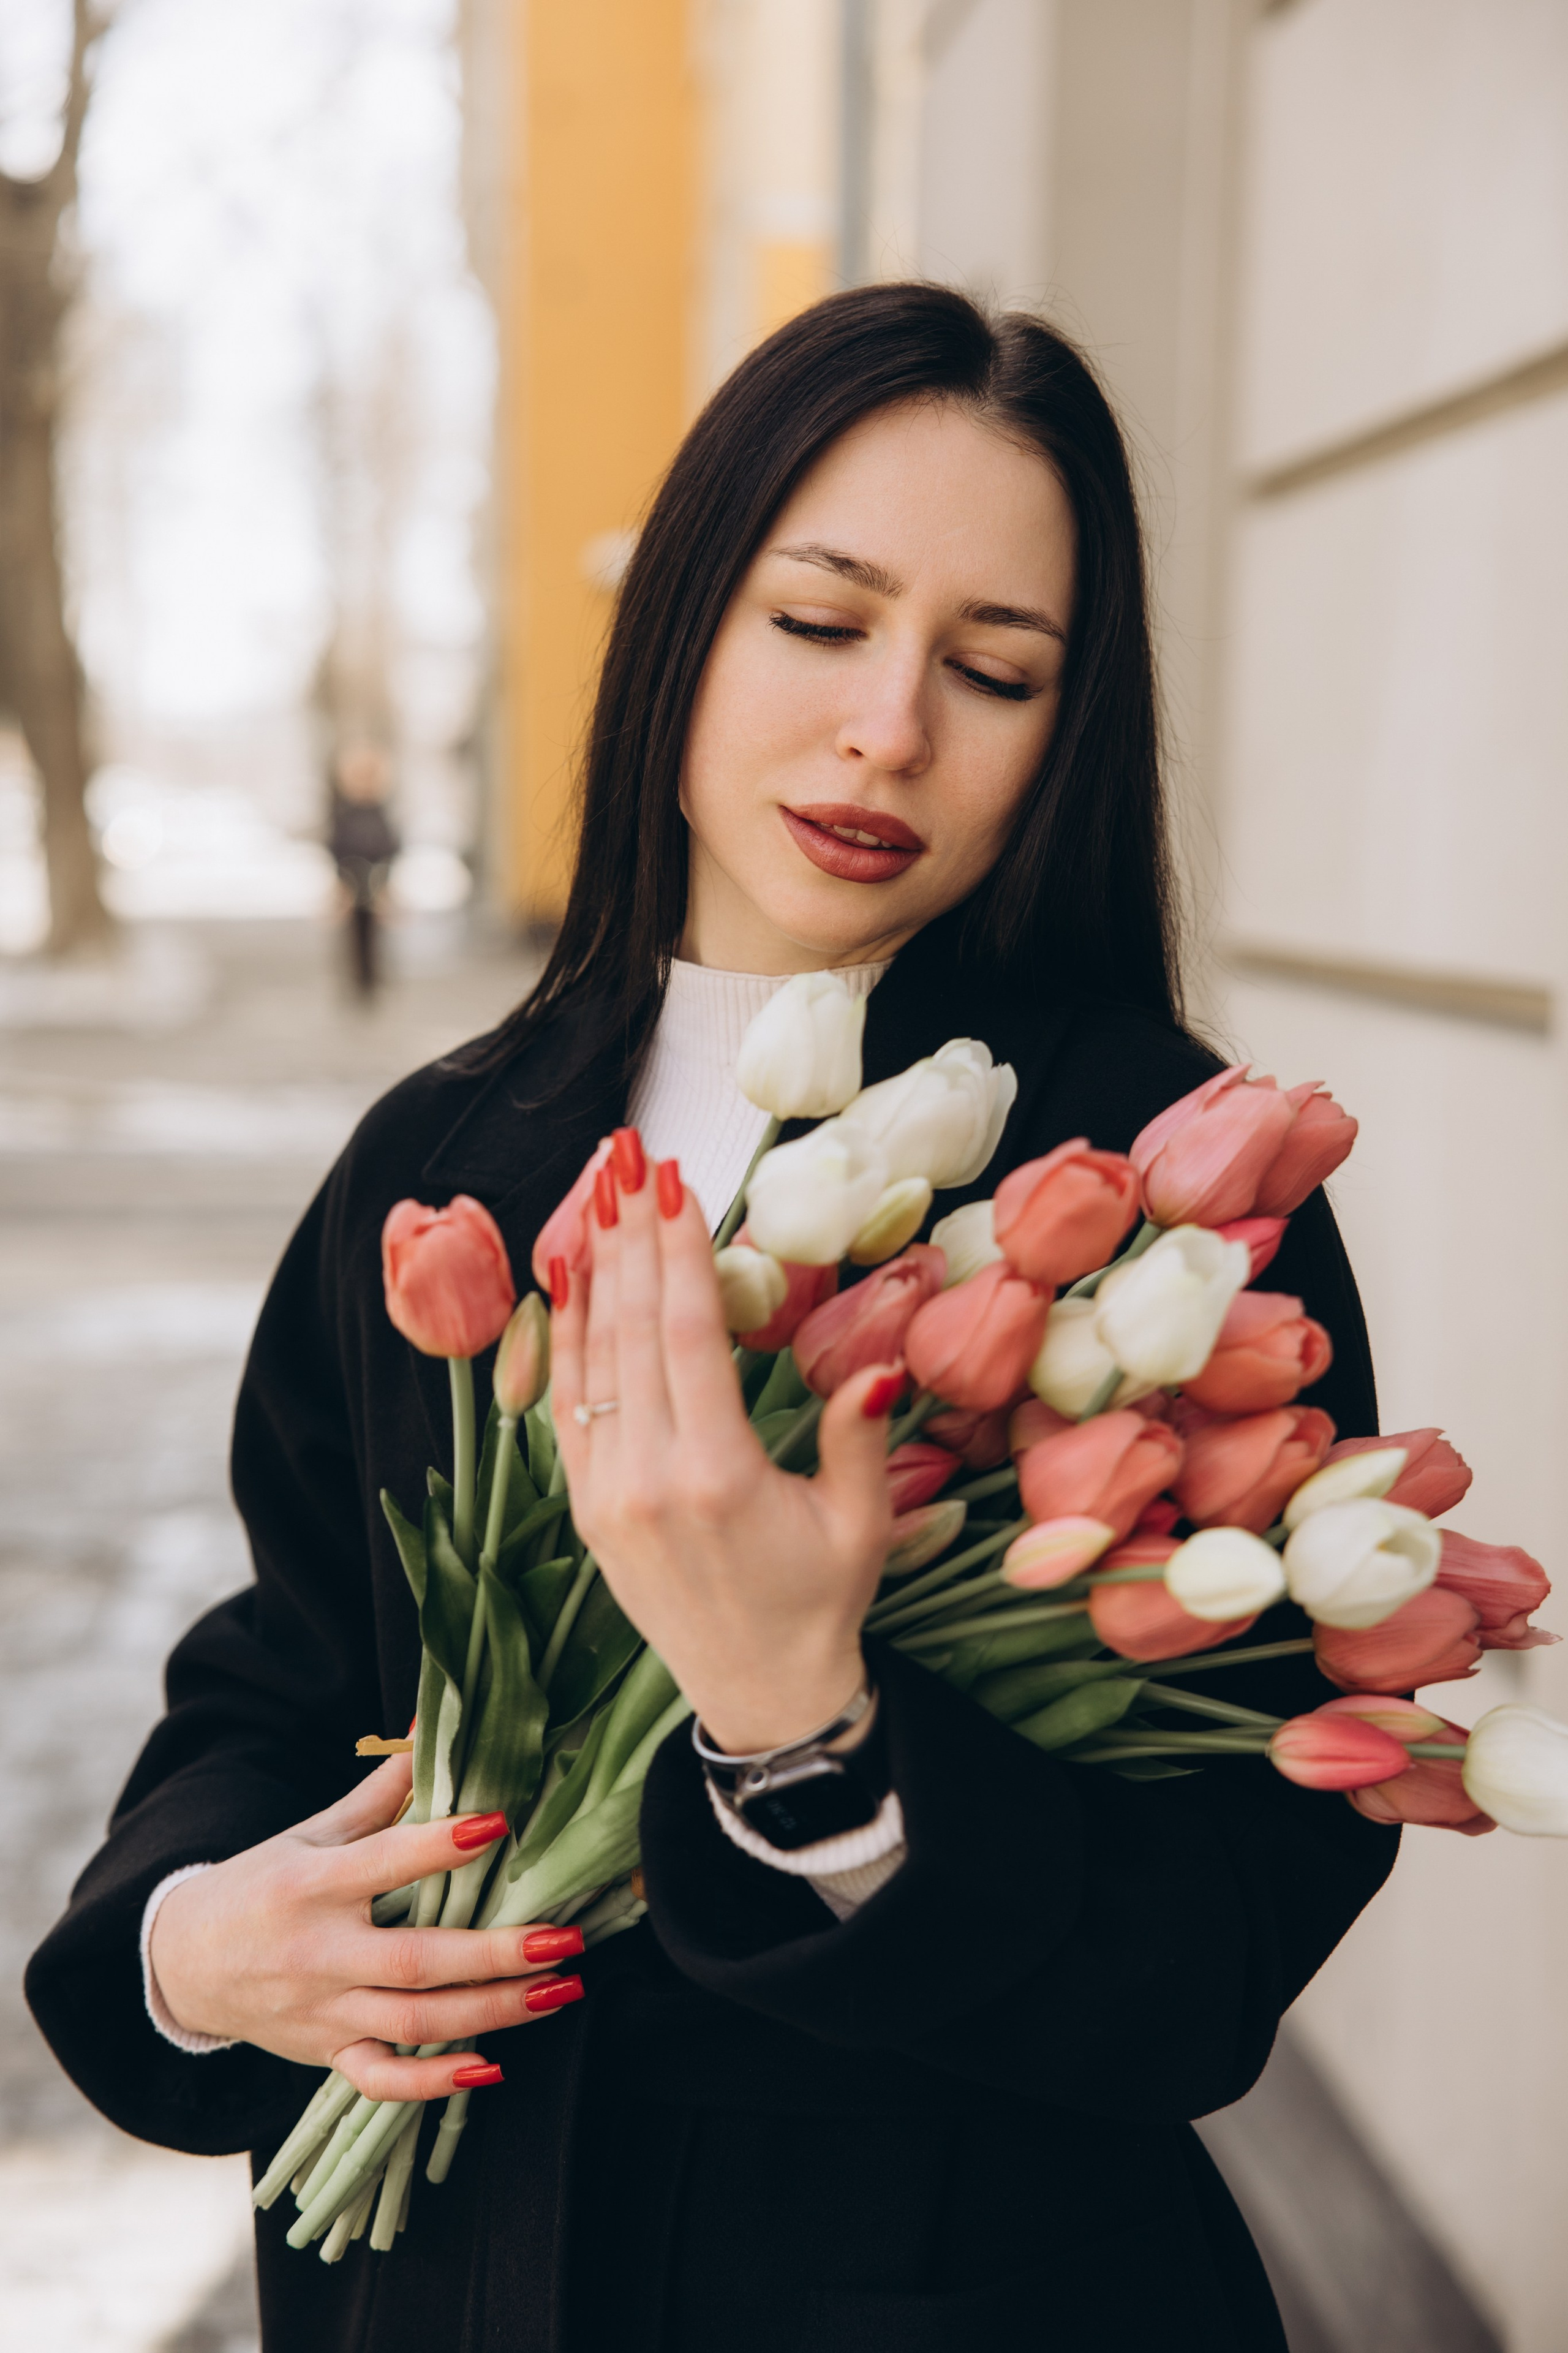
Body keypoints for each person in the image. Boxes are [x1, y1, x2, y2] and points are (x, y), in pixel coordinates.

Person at [28, 285, 1393, 2353]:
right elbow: (292, 1672)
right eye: (820, 621)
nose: (890, 731)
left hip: (948, 2281)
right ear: (684, 621)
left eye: (995, 668)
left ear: (1066, 729)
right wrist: (184, 1946)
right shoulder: (451, 1146)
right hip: (436, 2266)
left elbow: (1217, 1946)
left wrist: (814, 1738)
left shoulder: (1148, 1195)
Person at [328, 739, 400, 997]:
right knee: (354, 930)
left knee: (376, 929)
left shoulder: (379, 811)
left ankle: (373, 976)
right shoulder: (345, 812)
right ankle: (358, 978)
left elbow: (391, 845)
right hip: (352, 876)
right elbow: (337, 846)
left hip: (376, 876)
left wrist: (386, 879)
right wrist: (341, 881)